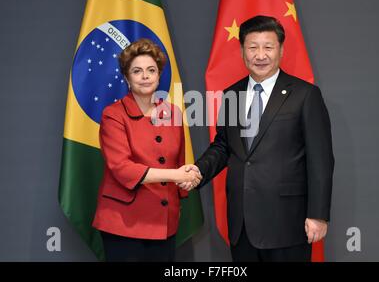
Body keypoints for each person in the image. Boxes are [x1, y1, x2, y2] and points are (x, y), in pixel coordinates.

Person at [184, 15, 334, 262]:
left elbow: (321, 160)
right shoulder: (232, 94)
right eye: (253, 47)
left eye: (268, 47)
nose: (260, 55)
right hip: (242, 223)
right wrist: (198, 171)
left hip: (287, 222)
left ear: (281, 50)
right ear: (243, 51)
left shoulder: (305, 95)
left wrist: (318, 214)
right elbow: (223, 146)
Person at [92, 38, 202, 262]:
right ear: (126, 77)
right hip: (123, 224)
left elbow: (178, 162)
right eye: (137, 71)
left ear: (159, 75)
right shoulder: (113, 115)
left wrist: (189, 177)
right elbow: (122, 169)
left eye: (151, 70)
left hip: (164, 221)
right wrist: (177, 175)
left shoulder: (173, 113)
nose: (145, 76)